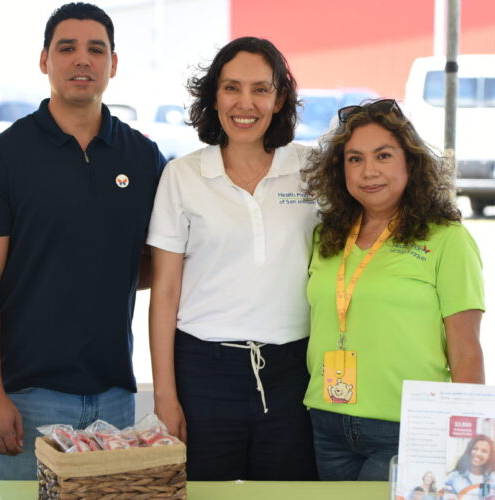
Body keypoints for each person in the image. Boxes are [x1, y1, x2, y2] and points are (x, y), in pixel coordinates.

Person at [0, 2, 166, 480]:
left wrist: (99, 276)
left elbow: (160, 265)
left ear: (113, 63)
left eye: (96, 49)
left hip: (116, 395)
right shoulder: (2, 159)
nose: (82, 59)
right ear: (44, 60)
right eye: (66, 48)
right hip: (27, 398)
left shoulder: (144, 157)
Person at [147, 36, 318, 480]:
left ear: (280, 98)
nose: (246, 103)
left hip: (294, 371)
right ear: (214, 96)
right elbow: (164, 292)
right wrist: (165, 394)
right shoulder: (182, 175)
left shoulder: (315, 169)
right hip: (203, 370)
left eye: (261, 89)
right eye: (232, 88)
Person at [301, 99, 485, 480]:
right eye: (354, 159)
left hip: (406, 428)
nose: (368, 171)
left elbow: (466, 352)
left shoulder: (448, 240)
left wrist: (467, 443)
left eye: (383, 156)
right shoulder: (326, 237)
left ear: (410, 162)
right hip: (327, 422)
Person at [443, 434, 495, 500]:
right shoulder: (454, 477)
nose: (478, 453)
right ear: (469, 450)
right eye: (475, 449)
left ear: (489, 456)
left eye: (484, 451)